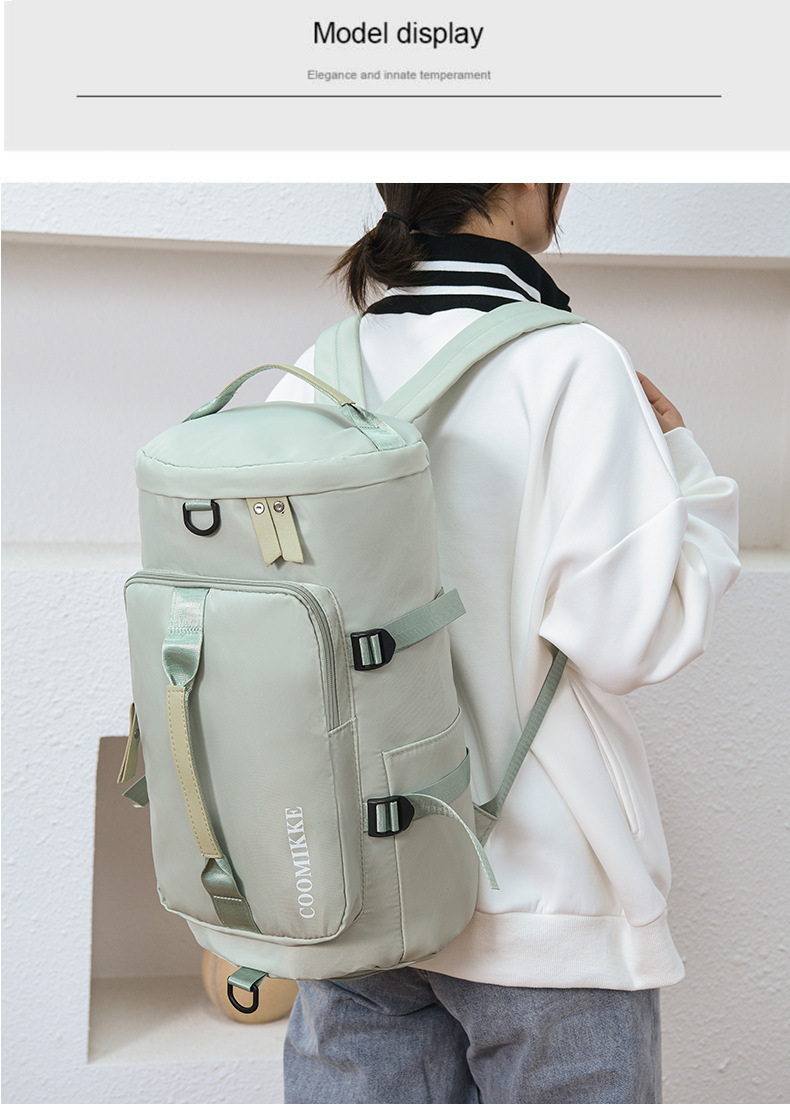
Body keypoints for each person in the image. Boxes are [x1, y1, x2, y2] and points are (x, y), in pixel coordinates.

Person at [266, 184, 741, 1104]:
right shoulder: (571, 361)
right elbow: (631, 642)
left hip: (359, 895)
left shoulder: (319, 367)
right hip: (543, 911)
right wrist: (692, 474)